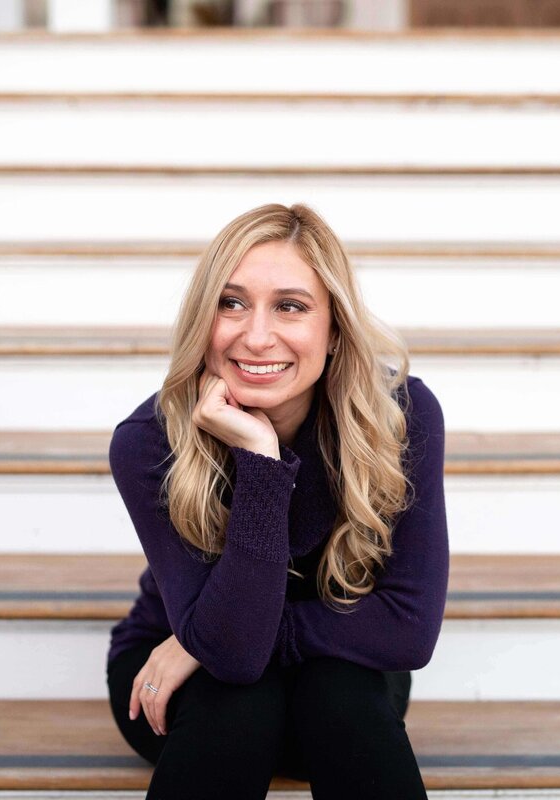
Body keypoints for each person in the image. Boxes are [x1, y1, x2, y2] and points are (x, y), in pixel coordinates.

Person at [104, 202, 448, 799]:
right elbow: (235, 656)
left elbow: (408, 632)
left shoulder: (401, 416)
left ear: (336, 329)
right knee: (239, 699)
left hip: (344, 670)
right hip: (180, 680)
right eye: (230, 303)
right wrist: (261, 462)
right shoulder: (149, 443)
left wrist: (209, 640)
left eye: (290, 306)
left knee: (339, 694)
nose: (256, 335)